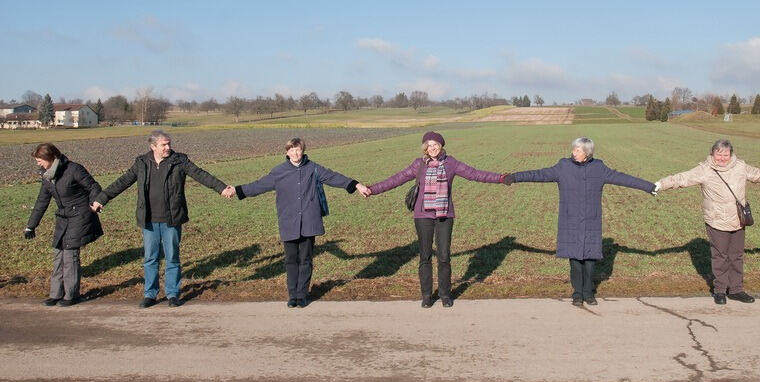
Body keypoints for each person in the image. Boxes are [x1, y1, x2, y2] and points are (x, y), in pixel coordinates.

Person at [503, 137, 656, 306]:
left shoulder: (599, 168)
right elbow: (539, 174)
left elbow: (624, 178)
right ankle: (577, 294)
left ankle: (589, 293)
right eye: (574, 149)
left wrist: (649, 186)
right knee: (575, 260)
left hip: (591, 220)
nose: (573, 152)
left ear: (587, 153)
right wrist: (515, 177)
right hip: (570, 220)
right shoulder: (563, 166)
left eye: (578, 150)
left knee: (590, 260)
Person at [363, 131, 506, 308]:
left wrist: (500, 178)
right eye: (429, 145)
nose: (432, 148)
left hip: (444, 215)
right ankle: (426, 296)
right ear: (425, 148)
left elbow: (474, 174)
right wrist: (372, 189)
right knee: (425, 256)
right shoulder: (418, 165)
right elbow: (396, 179)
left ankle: (445, 295)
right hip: (422, 216)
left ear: (441, 146)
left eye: (436, 145)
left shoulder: (451, 163)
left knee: (444, 256)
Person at [94, 130, 231, 308]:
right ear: (153, 147)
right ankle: (150, 294)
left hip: (171, 219)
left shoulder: (179, 161)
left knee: (172, 257)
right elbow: (122, 182)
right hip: (149, 220)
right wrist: (101, 199)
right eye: (164, 145)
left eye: (169, 144)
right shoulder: (142, 163)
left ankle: (173, 294)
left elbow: (201, 174)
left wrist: (221, 188)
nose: (168, 147)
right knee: (151, 258)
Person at [655, 139, 760, 305]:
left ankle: (736, 290)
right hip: (716, 220)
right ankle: (719, 290)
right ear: (712, 153)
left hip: (738, 219)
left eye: (725, 154)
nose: (722, 158)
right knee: (720, 256)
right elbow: (681, 178)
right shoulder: (705, 169)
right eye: (718, 154)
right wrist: (659, 185)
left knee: (736, 256)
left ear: (731, 154)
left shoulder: (740, 167)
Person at [233, 137, 368, 307]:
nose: (295, 153)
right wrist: (237, 190)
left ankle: (302, 294)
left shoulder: (313, 168)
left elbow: (333, 177)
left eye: (298, 150)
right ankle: (292, 296)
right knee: (290, 260)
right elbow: (259, 185)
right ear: (287, 152)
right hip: (288, 222)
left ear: (303, 151)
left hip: (309, 221)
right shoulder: (279, 171)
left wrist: (356, 185)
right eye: (292, 150)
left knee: (305, 259)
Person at [24, 143, 104, 306]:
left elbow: (93, 187)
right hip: (63, 217)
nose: (38, 163)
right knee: (58, 253)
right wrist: (31, 226)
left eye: (40, 160)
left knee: (70, 254)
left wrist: (95, 203)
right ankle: (56, 294)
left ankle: (72, 295)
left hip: (80, 215)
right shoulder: (47, 176)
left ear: (50, 157)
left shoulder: (74, 169)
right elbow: (42, 201)